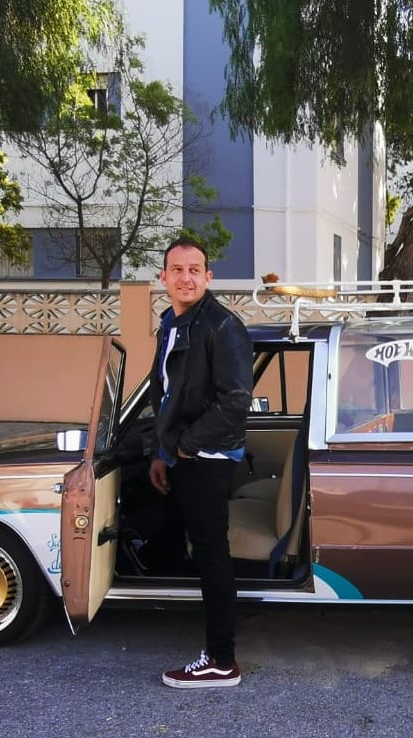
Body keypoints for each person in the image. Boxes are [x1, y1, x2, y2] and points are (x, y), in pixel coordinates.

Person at [147, 236, 253, 689]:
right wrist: (161, 451)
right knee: (192, 541)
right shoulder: (171, 324)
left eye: (195, 269)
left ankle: (221, 660)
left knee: (211, 553)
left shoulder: (222, 326)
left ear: (209, 277)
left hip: (208, 455)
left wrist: (185, 446)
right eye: (177, 269)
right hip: (184, 452)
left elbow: (236, 402)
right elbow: (167, 395)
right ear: (163, 278)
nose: (186, 277)